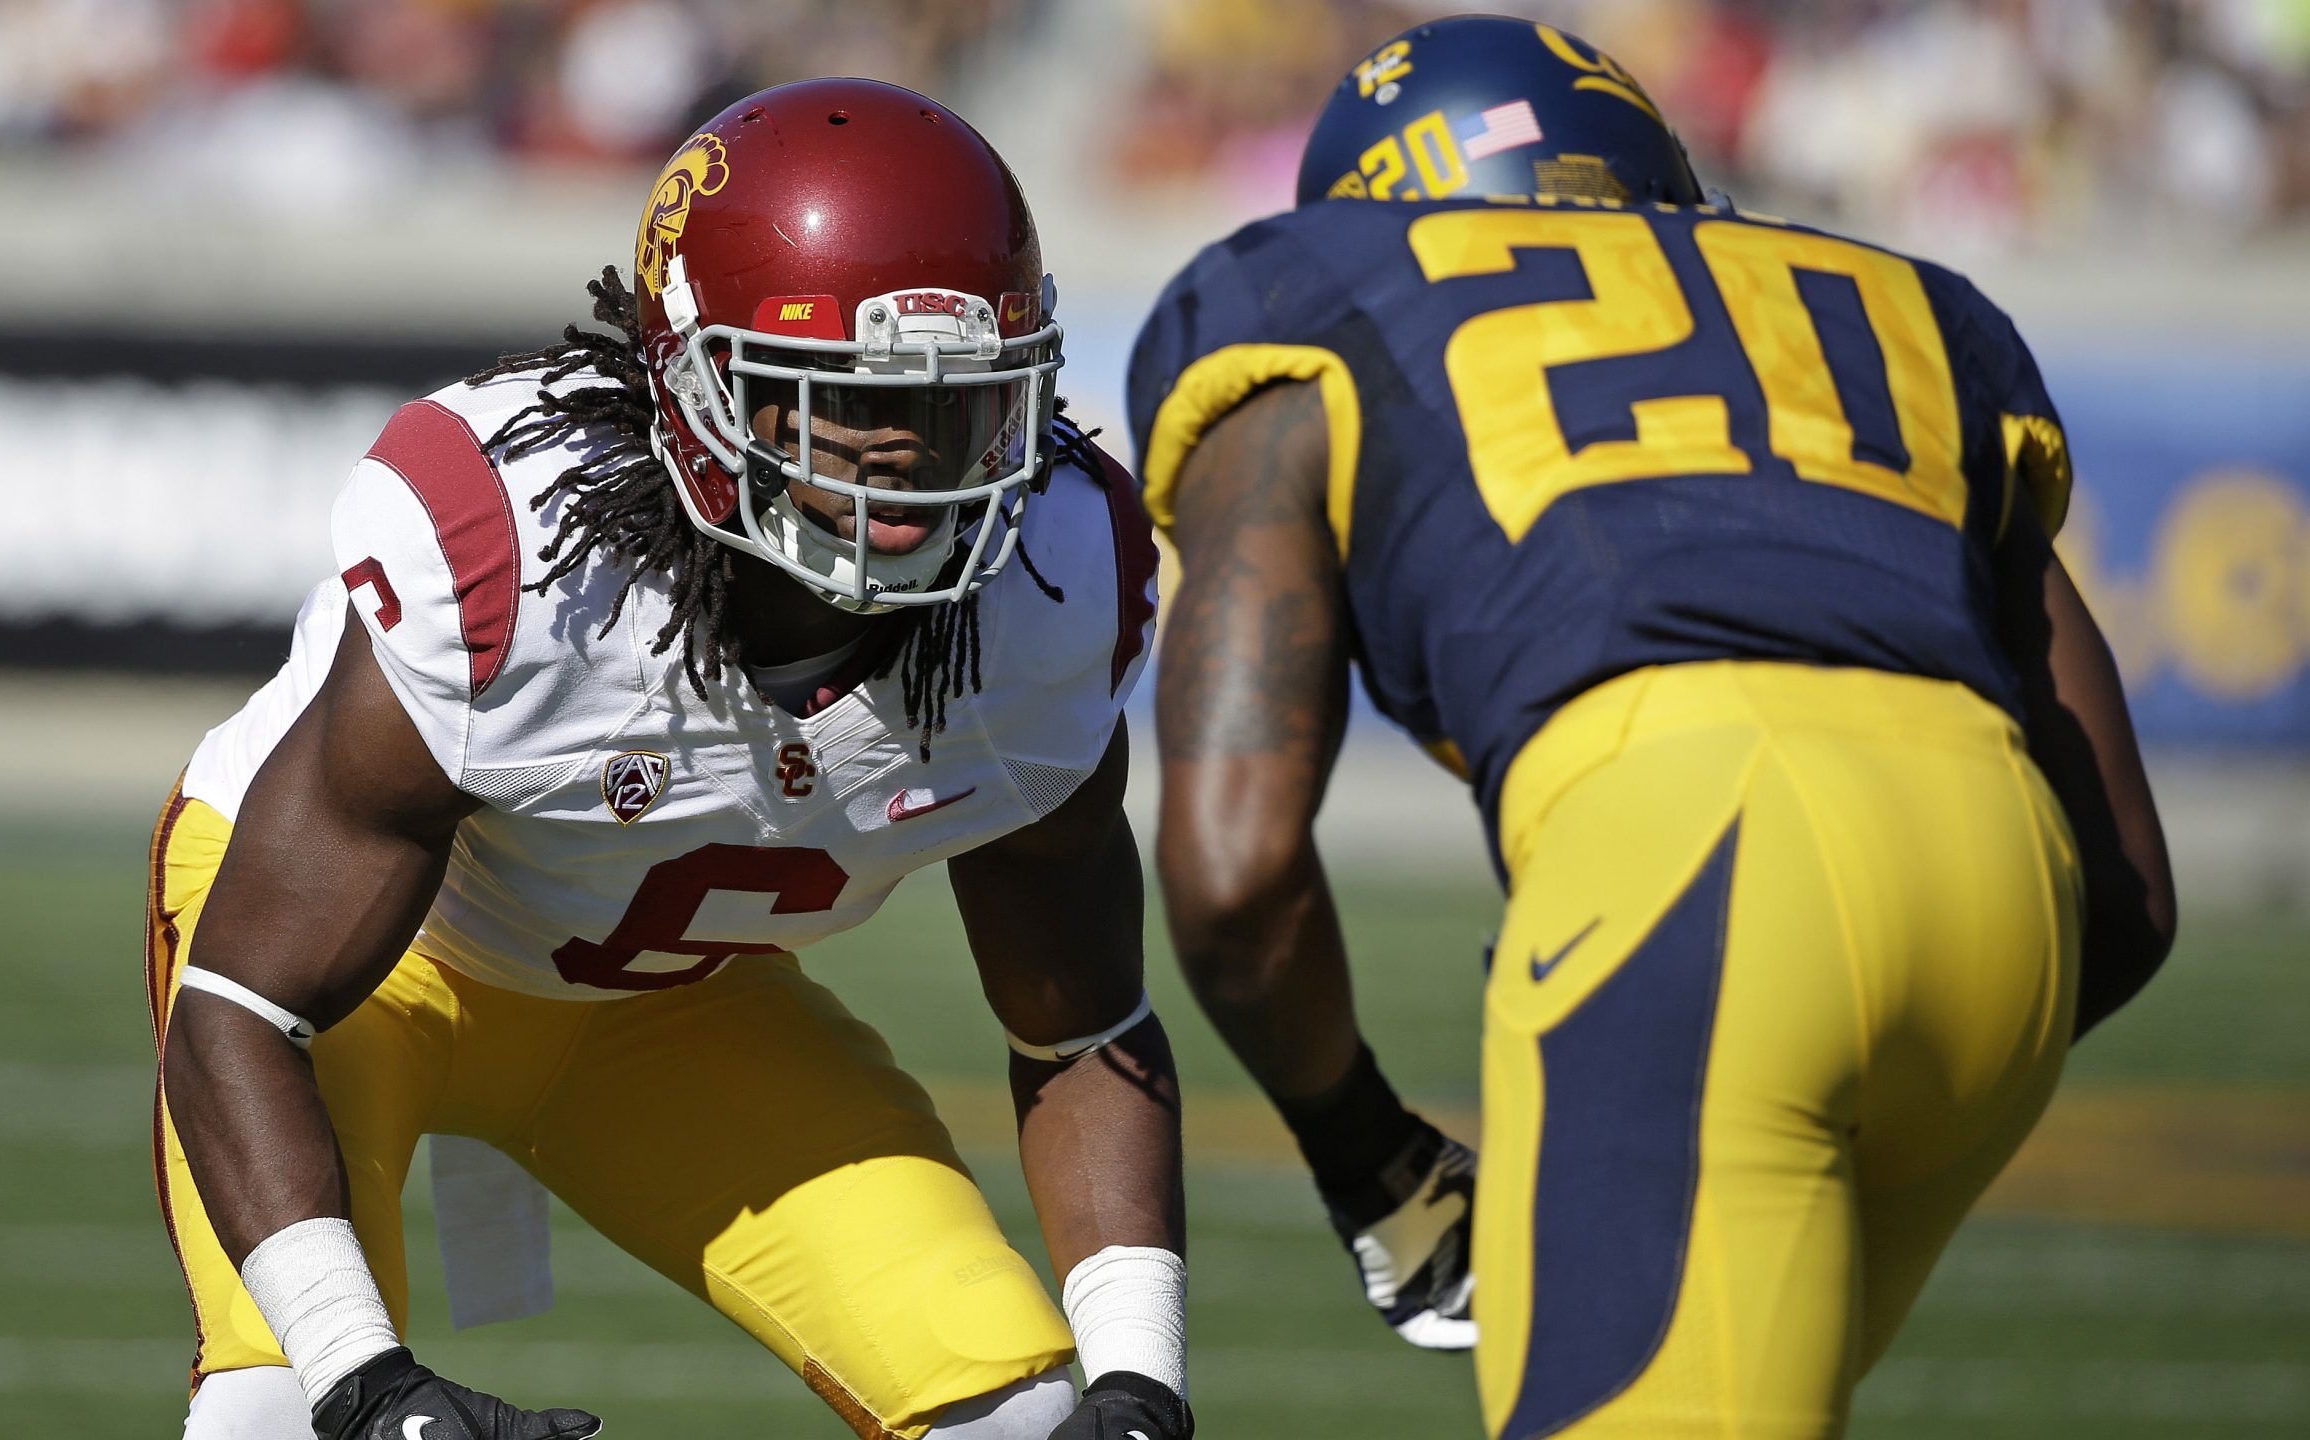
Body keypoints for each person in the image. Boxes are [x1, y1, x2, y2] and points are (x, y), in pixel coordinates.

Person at [1129, 15, 2174, 1437]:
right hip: (2008, 924)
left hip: (1704, 871)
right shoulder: (1893, 306)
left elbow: (1234, 871)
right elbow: (2130, 886)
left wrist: (1372, 1158)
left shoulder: (1319, 305)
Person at [148, 78, 1192, 1440]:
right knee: (279, 1421)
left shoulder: (1049, 590)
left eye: (953, 407)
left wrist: (1144, 1382)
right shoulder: (525, 563)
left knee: (1026, 1424)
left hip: (665, 1010)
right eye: (839, 402)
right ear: (696, 394)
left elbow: (1083, 1028)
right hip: (369, 985)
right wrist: (365, 1384)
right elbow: (238, 1010)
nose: (904, 465)